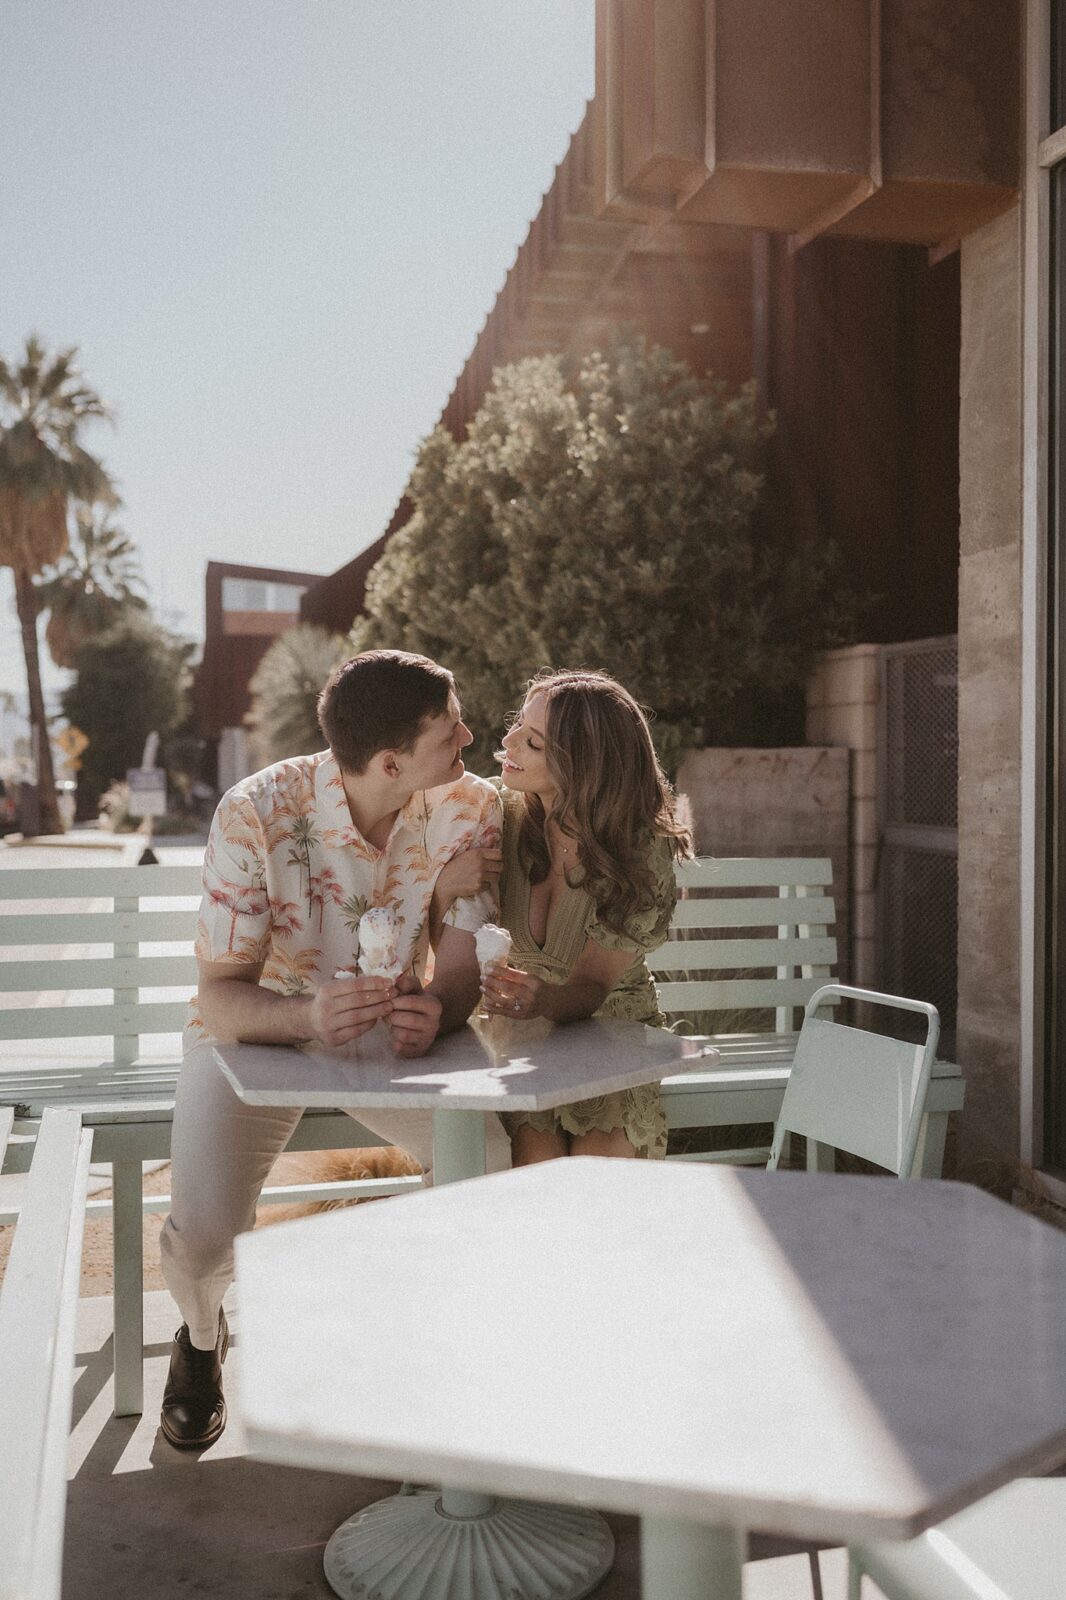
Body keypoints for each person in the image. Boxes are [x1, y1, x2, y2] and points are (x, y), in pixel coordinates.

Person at [159, 649, 509, 1449]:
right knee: (207, 1232)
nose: (469, 735)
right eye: (449, 730)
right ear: (391, 762)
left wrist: (439, 1009)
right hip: (257, 1034)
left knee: (487, 1163)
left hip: (385, 1044)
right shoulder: (257, 812)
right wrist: (308, 1015)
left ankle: (439, 1356)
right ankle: (203, 1341)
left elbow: (458, 972)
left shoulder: (470, 808)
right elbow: (219, 994)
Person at [433, 669, 690, 1165]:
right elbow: (444, 943)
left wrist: (542, 997)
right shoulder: (494, 815)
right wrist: (445, 888)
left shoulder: (639, 848)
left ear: (582, 766)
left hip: (608, 1033)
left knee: (596, 1178)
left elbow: (593, 985)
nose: (506, 741)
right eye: (516, 726)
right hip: (519, 1038)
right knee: (534, 1167)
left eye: (531, 741)